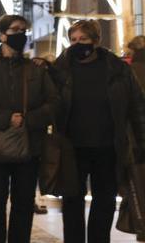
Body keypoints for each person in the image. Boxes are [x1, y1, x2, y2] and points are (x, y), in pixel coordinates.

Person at [0, 14, 58, 243]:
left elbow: (54, 104)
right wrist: (5, 118)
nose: (21, 35)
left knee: (23, 204)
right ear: (2, 35)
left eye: (24, 30)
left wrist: (30, 120)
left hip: (28, 148)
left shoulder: (35, 69)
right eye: (15, 30)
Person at [50, 21, 145, 243]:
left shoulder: (118, 69)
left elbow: (137, 107)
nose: (77, 44)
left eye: (83, 39)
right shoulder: (60, 70)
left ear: (95, 40)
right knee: (72, 201)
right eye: (73, 40)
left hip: (108, 146)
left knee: (104, 201)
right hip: (72, 147)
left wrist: (141, 143)